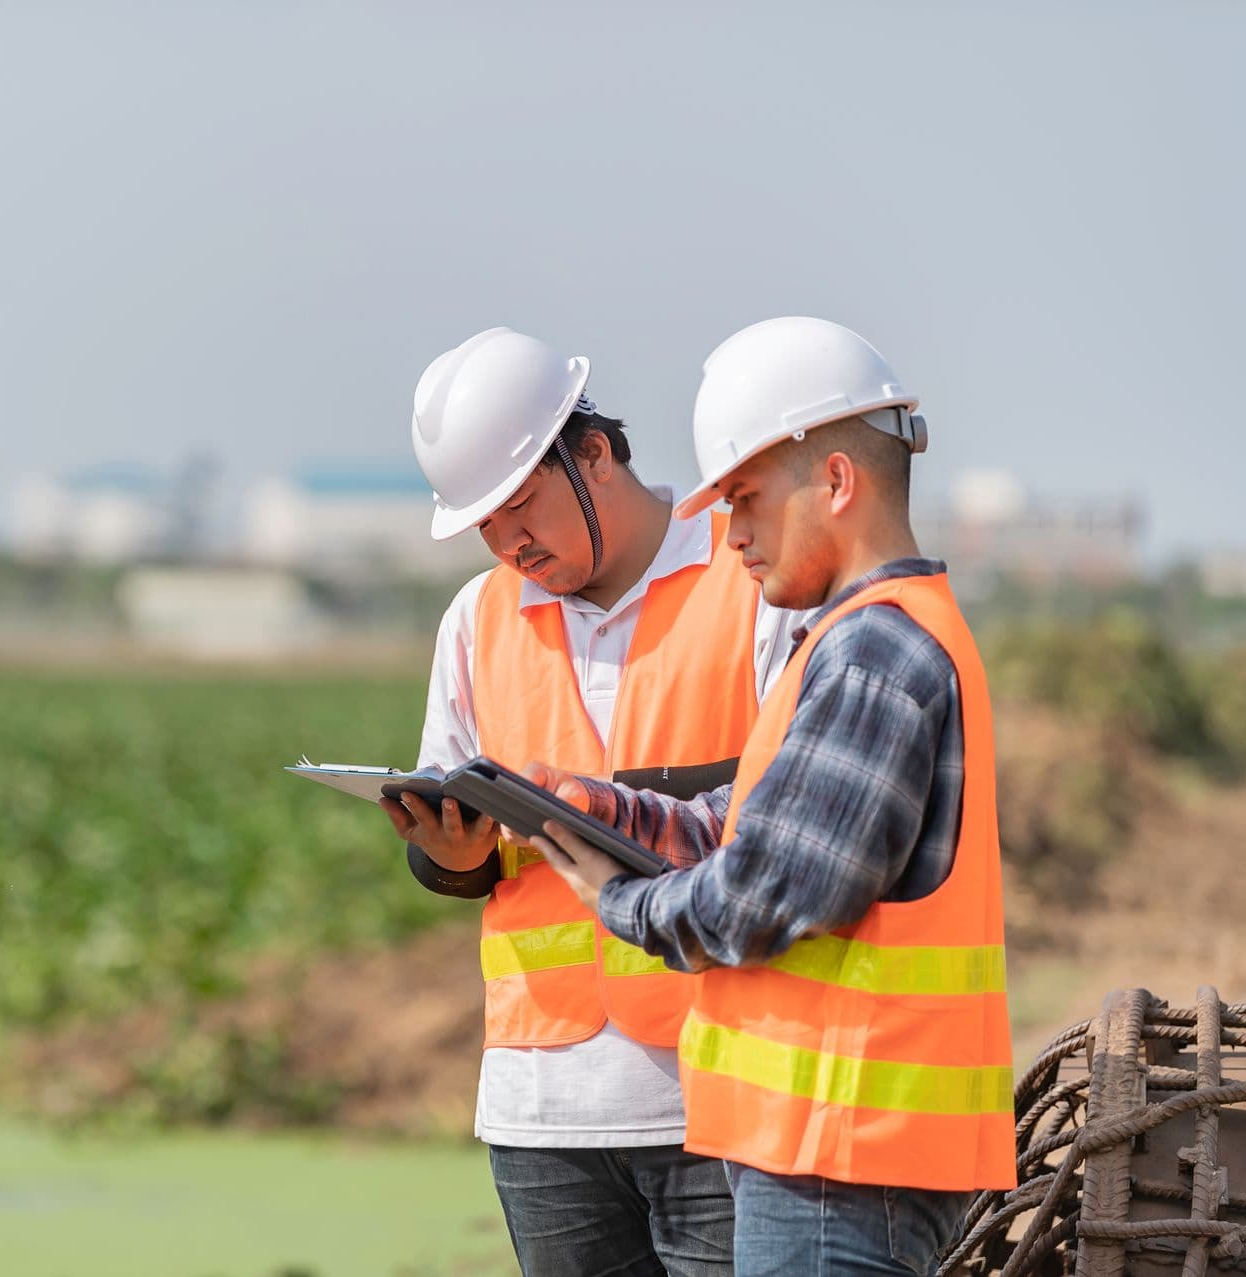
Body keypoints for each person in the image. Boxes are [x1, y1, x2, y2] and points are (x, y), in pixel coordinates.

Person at [516, 317, 1015, 1276]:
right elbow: (752, 826)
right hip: (832, 1153)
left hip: (843, 1154)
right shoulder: (858, 638)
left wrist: (619, 902)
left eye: (745, 498)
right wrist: (608, 813)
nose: (730, 534)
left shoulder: (876, 650)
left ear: (836, 480)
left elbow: (772, 890)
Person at [386, 326, 802, 1277]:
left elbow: (786, 824)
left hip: (721, 1092)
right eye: (484, 525)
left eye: (520, 506)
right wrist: (450, 856)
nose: (509, 543)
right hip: (541, 1113)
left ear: (597, 454)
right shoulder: (476, 620)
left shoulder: (752, 583)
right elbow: (455, 843)